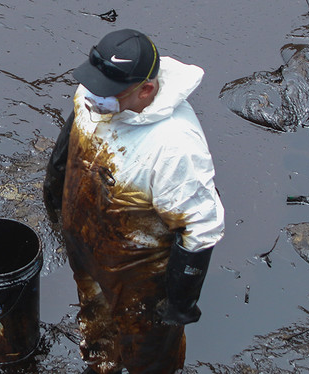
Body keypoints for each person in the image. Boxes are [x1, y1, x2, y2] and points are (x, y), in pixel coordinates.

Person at [43, 29, 224, 374]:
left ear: (146, 90)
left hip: (140, 277)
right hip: (90, 249)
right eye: (92, 84)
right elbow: (74, 134)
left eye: (107, 92)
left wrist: (178, 302)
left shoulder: (175, 147)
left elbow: (201, 227)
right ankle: (101, 363)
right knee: (95, 323)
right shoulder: (97, 90)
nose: (93, 97)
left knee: (148, 353)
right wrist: (53, 188)